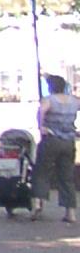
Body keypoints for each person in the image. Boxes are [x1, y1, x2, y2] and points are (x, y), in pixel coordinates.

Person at [36, 75, 78, 222]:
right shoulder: (74, 101)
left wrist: (41, 126)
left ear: (51, 87)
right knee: (67, 177)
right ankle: (70, 213)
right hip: (69, 141)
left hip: (52, 139)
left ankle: (37, 206)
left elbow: (42, 110)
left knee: (42, 172)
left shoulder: (49, 100)